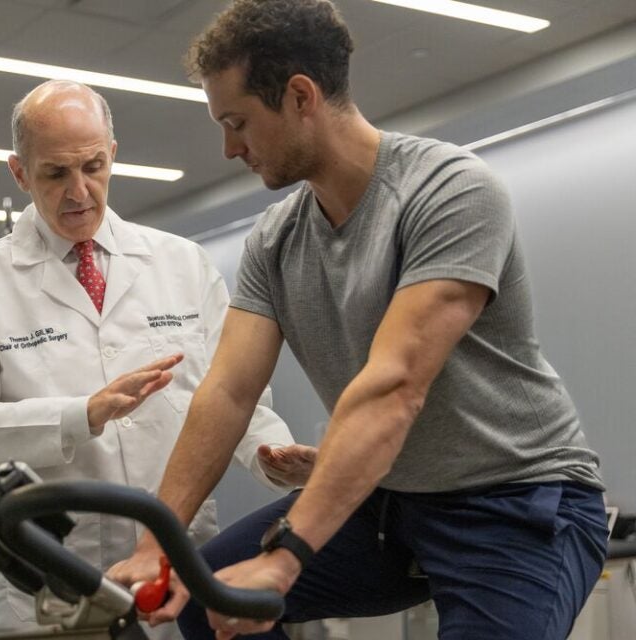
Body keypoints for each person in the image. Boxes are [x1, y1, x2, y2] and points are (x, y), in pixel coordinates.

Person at [109, 1, 609, 638]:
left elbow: (395, 386)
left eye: (238, 122)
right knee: (208, 600)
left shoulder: (449, 190)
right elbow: (228, 391)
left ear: (299, 96)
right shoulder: (275, 240)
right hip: (392, 503)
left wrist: (287, 558)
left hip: (516, 499)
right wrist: (161, 541)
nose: (230, 147)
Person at [0, 80, 311, 637]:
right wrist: (83, 415)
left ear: (113, 155)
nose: (80, 190)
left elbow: (230, 392)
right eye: (56, 173)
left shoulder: (183, 265)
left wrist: (268, 453)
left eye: (94, 166)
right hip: (37, 582)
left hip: (172, 573)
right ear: (19, 172)